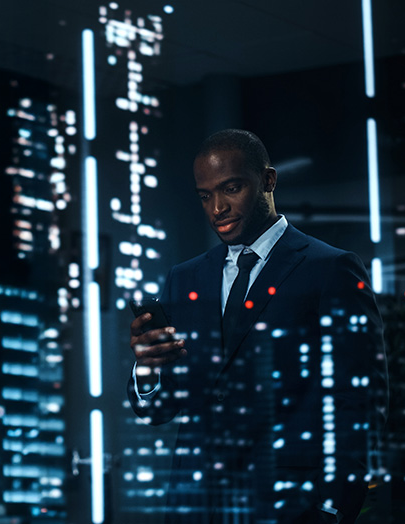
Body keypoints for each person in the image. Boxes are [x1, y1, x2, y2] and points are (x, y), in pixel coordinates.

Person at [128, 129, 388, 524]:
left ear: (268, 180)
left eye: (231, 188)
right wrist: (148, 367)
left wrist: (332, 508)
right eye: (205, 196)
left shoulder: (330, 268)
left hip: (291, 508)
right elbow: (158, 410)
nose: (218, 207)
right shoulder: (185, 278)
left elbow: (360, 402)